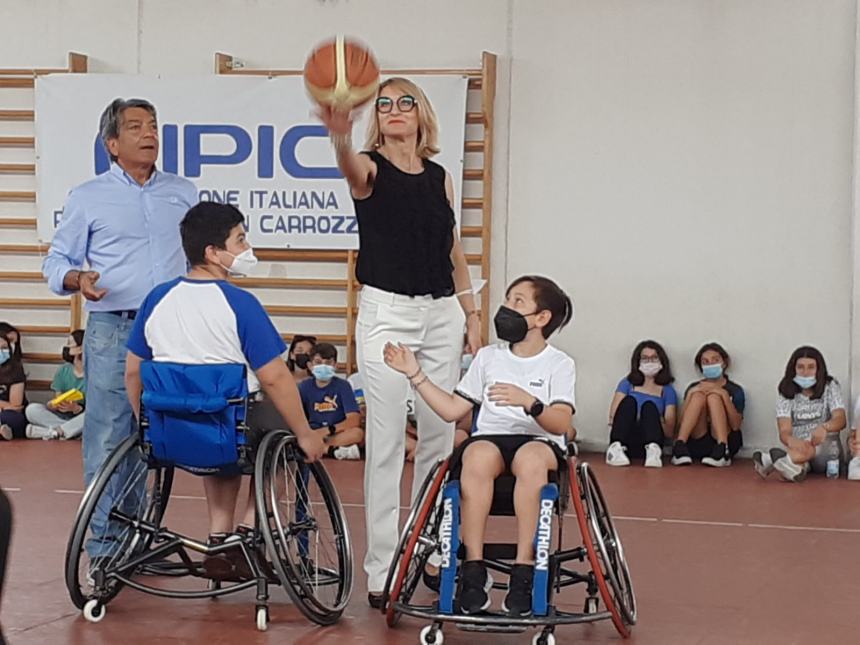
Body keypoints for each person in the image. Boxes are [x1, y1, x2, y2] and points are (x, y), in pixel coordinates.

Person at [318, 77, 482, 606]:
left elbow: (452, 247)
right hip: (388, 312)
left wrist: (471, 311)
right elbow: (350, 167)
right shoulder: (369, 168)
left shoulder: (440, 177)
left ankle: (430, 550)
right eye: (384, 103)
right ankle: (382, 567)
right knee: (386, 441)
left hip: (441, 313)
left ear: (421, 115)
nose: (393, 109)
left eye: (404, 102)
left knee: (439, 439)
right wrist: (340, 136)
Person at [125, 202, 326, 580]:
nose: (247, 248)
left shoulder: (156, 299)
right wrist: (305, 433)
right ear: (213, 253)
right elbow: (275, 378)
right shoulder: (240, 304)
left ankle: (220, 538)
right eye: (240, 239)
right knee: (280, 434)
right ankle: (248, 532)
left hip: (171, 430)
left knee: (217, 424)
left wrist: (146, 423)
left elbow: (133, 372)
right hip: (228, 427)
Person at [384, 275, 575, 616]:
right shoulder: (488, 358)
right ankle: (472, 571)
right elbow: (452, 410)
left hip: (539, 440)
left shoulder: (559, 363)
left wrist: (529, 402)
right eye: (507, 299)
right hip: (491, 439)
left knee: (531, 459)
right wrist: (415, 373)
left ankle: (524, 570)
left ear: (542, 318)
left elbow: (562, 423)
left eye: (518, 302)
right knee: (475, 454)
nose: (506, 308)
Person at [41, 98, 198, 498]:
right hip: (115, 327)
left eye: (153, 125)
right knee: (110, 436)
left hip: (175, 330)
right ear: (111, 143)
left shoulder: (183, 192)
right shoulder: (88, 196)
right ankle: (108, 550)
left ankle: (142, 541)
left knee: (163, 438)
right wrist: (78, 278)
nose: (149, 133)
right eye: (135, 127)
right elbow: (56, 261)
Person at [753, 346, 846, 482]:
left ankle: (768, 461)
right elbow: (784, 430)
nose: (805, 372)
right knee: (795, 465)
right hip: (798, 448)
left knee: (810, 448)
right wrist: (792, 440)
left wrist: (825, 427)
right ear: (793, 369)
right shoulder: (785, 390)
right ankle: (792, 469)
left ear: (819, 369)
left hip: (826, 449)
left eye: (811, 367)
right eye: (800, 367)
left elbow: (841, 419)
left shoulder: (830, 386)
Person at [671, 342, 745, 467]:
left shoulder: (735, 389)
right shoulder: (694, 387)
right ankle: (680, 446)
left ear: (724, 362)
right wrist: (690, 394)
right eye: (705, 362)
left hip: (727, 439)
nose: (710, 364)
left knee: (714, 397)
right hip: (699, 440)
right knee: (698, 396)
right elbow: (680, 423)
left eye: (715, 360)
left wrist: (723, 395)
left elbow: (736, 425)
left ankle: (722, 450)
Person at [606, 340, 677, 467]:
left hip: (652, 440)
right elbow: (613, 417)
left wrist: (654, 417)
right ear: (637, 362)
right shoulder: (627, 383)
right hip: (627, 441)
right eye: (645, 358)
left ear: (661, 361)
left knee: (649, 406)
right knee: (629, 402)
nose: (650, 362)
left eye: (654, 358)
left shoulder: (668, 390)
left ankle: (653, 452)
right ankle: (615, 449)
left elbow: (670, 431)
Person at [298, 342, 364, 459]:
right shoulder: (304, 387)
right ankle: (331, 451)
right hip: (313, 432)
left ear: (335, 365)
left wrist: (329, 430)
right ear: (310, 365)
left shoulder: (343, 386)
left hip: (335, 433)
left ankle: (323, 448)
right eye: (318, 362)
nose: (323, 366)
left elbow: (354, 419)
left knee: (357, 433)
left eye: (328, 363)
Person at [25, 330, 86, 440]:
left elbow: (95, 408)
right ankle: (70, 431)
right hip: (62, 416)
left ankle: (54, 432)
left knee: (89, 417)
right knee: (31, 409)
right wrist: (54, 405)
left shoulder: (94, 374)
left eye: (70, 343)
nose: (67, 347)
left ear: (81, 348)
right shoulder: (64, 370)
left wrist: (77, 409)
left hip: (81, 416)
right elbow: (58, 396)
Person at [0, 333, 27, 441]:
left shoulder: (16, 369)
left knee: (14, 419)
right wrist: (4, 406)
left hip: (10, 414)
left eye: (4, 348)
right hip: (5, 408)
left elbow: (15, 404)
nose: (1, 351)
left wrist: (3, 408)